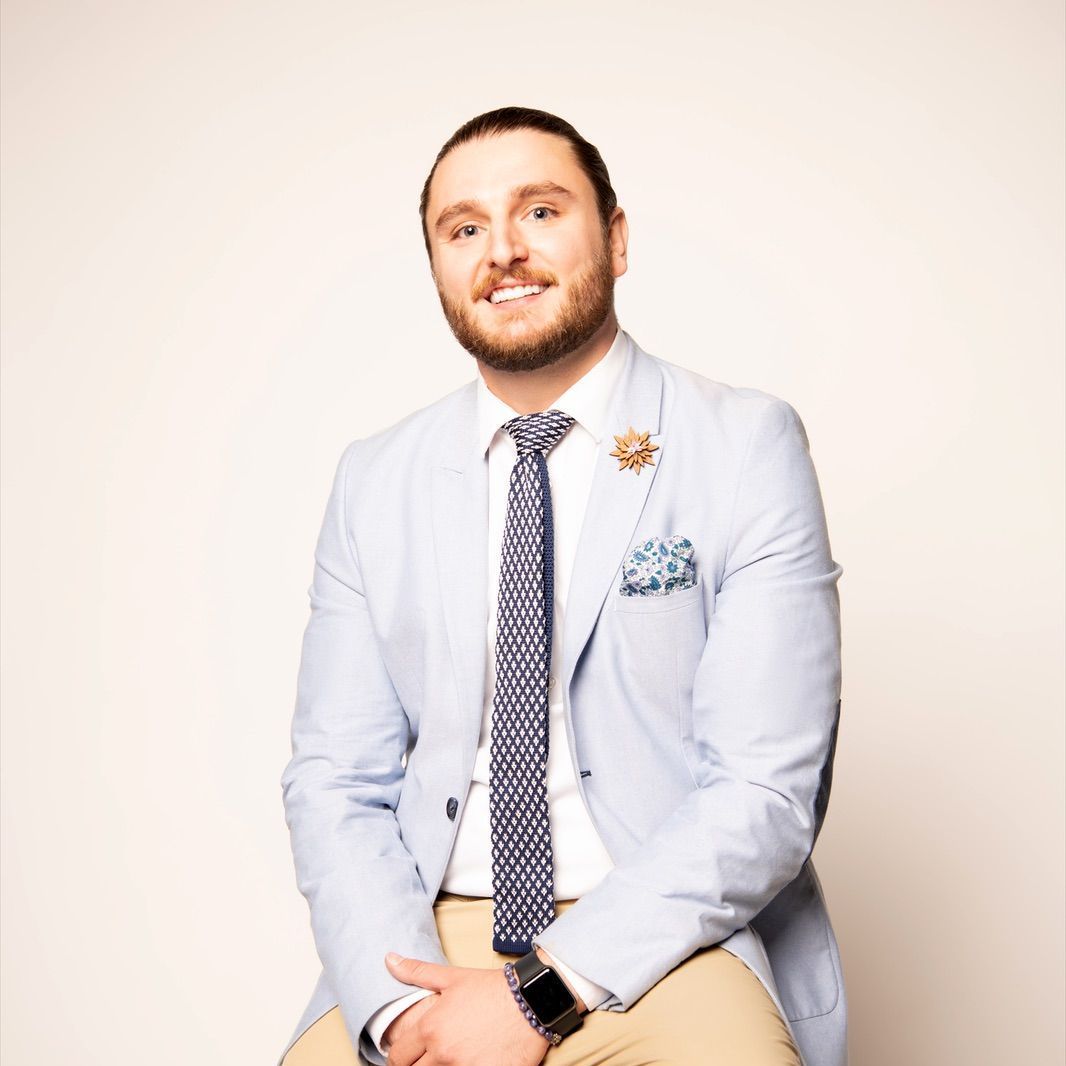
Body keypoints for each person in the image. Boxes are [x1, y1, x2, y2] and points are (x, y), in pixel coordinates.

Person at [279, 106, 846, 1066]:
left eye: (540, 212)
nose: (501, 250)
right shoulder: (375, 478)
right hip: (425, 936)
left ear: (615, 239)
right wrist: (404, 1012)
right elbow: (334, 780)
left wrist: (537, 994)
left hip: (665, 934)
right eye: (463, 230)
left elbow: (764, 789)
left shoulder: (744, 445)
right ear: (438, 271)